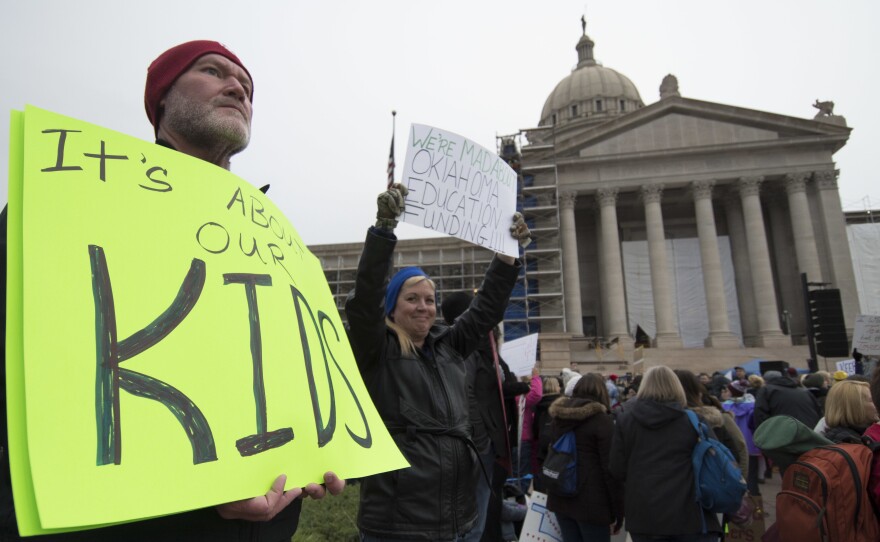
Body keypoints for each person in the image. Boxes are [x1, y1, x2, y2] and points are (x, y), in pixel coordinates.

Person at [0, 40, 346, 541]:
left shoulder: (274, 242)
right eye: (213, 71)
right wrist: (192, 478)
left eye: (248, 88)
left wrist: (308, 455)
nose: (237, 88)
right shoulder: (67, 195)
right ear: (162, 99)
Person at [344, 182, 530, 541]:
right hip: (398, 524)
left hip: (456, 518)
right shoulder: (377, 348)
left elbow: (486, 308)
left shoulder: (449, 345)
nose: (423, 307)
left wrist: (507, 255)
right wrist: (384, 229)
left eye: (429, 299)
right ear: (393, 308)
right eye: (412, 298)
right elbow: (365, 298)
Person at [440, 292, 530, 542]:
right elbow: (467, 397)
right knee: (473, 520)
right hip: (479, 444)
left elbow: (488, 391)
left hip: (488, 442)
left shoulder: (480, 346)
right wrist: (481, 440)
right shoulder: (466, 348)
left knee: (482, 511)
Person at [610, 365, 722, 542]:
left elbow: (616, 468)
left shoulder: (625, 420)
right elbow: (716, 461)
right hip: (690, 513)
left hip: (644, 514)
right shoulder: (694, 420)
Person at [546, 374, 624, 542]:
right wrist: (618, 511)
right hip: (593, 505)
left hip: (561, 497)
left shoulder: (558, 418)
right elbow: (610, 469)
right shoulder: (602, 421)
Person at [721, 380, 762, 496]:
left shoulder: (724, 406)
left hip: (731, 446)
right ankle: (756, 508)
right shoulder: (753, 405)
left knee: (731, 475)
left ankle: (736, 505)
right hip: (751, 445)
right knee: (752, 477)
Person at [753, 370, 822, 430]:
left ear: (764, 380)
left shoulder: (766, 391)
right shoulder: (804, 391)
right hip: (811, 435)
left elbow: (760, 416)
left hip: (785, 437)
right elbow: (819, 413)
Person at [532, 376, 562, 493]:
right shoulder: (562, 404)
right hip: (558, 447)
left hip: (542, 448)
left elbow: (535, 429)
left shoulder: (538, 405)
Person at [516, 368, 543, 493]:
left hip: (515, 437)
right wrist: (535, 376)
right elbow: (536, 394)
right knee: (522, 473)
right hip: (522, 438)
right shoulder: (519, 399)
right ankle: (520, 497)